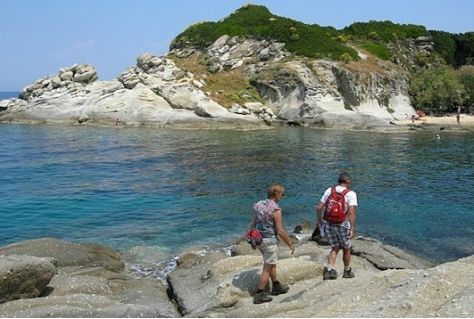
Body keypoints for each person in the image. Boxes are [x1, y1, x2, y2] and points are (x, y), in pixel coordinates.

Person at [249, 183, 295, 304]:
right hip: (269, 241)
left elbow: (252, 224)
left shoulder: (258, 205)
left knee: (271, 262)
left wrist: (252, 241)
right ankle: (259, 293)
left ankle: (276, 285)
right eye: (281, 194)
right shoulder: (276, 210)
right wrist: (289, 243)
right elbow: (280, 231)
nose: (282, 196)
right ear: (276, 194)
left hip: (258, 239)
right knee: (267, 268)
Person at [316, 172, 357, 280]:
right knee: (346, 248)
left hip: (329, 223)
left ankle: (329, 270)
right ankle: (347, 271)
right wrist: (352, 228)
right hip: (343, 225)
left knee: (334, 247)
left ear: (338, 181)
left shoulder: (330, 190)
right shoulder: (351, 194)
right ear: (348, 181)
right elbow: (351, 212)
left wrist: (319, 221)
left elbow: (319, 207)